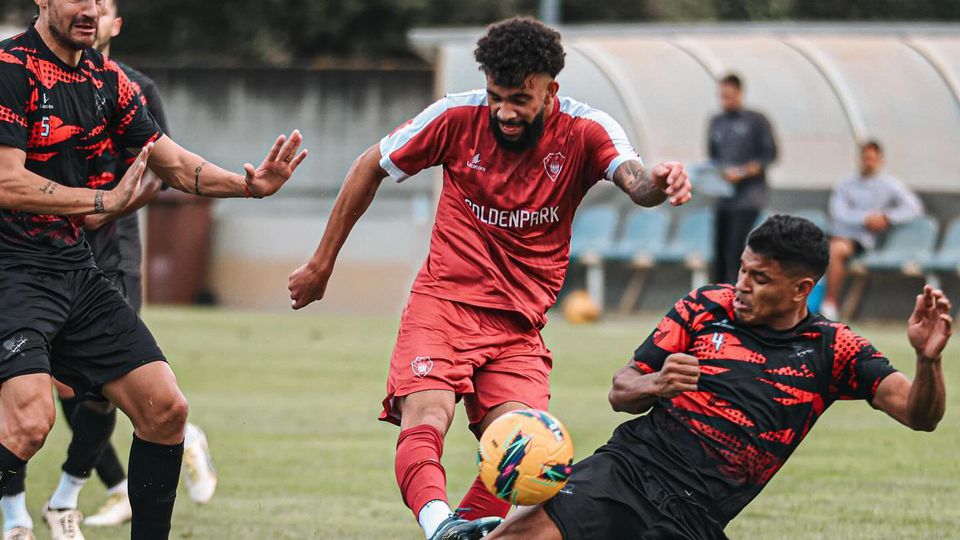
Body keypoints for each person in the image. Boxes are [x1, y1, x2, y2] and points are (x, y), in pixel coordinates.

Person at [287, 16, 692, 540]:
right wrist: (323, 262)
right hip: (445, 303)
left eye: (520, 99)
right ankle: (440, 526)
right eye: (496, 95)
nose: (505, 111)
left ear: (551, 91)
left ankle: (470, 532)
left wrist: (659, 184)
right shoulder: (456, 116)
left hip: (519, 324)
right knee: (427, 416)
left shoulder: (587, 130)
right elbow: (371, 165)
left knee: (526, 447)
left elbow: (634, 180)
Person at [0, 1, 307, 538]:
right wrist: (99, 202)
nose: (90, 9)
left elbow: (170, 160)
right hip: (11, 269)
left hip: (75, 269)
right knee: (29, 422)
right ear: (42, 1)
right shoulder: (9, 69)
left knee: (165, 409)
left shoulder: (108, 80)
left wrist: (248, 185)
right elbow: (5, 182)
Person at [486, 215, 951, 540]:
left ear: (801, 290)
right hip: (629, 470)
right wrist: (656, 384)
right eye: (743, 270)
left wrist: (927, 361)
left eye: (761, 278)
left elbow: (919, 415)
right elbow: (620, 390)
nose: (743, 286)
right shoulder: (707, 305)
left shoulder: (834, 349)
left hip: (697, 517)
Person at [821, 140, 923, 320]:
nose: (869, 162)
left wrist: (887, 217)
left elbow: (914, 208)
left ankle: (829, 304)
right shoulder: (845, 183)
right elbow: (838, 213)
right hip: (835, 233)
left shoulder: (890, 185)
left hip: (859, 240)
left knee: (835, 250)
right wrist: (866, 218)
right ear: (859, 159)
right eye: (866, 158)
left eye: (873, 159)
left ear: (880, 160)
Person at [707, 73, 778, 285]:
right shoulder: (716, 122)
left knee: (736, 250)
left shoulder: (756, 121)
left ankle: (736, 299)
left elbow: (769, 155)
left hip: (749, 199)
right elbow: (714, 158)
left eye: (728, 96)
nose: (724, 100)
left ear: (739, 93)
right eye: (722, 96)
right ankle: (716, 301)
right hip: (723, 198)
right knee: (719, 250)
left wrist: (743, 172)